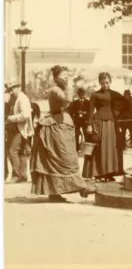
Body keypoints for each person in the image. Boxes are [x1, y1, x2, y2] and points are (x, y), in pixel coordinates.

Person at [30, 65, 96, 202]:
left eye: (67, 75)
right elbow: (69, 100)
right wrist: (71, 84)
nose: (66, 78)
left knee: (65, 158)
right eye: (63, 76)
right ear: (55, 78)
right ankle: (80, 188)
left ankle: (55, 193)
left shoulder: (61, 89)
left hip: (62, 125)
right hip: (56, 127)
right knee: (63, 159)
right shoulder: (55, 90)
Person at [82, 72, 125, 182]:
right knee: (100, 148)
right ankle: (99, 173)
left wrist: (118, 114)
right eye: (102, 83)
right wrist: (90, 125)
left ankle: (110, 173)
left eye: (107, 83)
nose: (105, 85)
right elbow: (91, 111)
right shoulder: (95, 95)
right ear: (99, 83)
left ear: (110, 82)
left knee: (112, 148)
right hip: (99, 123)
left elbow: (126, 104)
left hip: (112, 124)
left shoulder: (115, 94)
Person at [5, 82, 34, 184]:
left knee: (12, 152)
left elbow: (25, 115)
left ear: (18, 88)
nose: (11, 92)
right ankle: (22, 175)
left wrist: (10, 118)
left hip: (19, 128)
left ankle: (17, 175)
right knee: (21, 152)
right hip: (18, 128)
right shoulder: (16, 98)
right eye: (9, 90)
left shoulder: (22, 99)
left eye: (12, 89)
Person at [67, 87, 90, 152]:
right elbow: (71, 111)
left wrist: (85, 113)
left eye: (82, 94)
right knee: (76, 135)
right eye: (80, 94)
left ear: (84, 94)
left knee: (86, 134)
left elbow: (90, 111)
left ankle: (87, 149)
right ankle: (77, 148)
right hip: (77, 121)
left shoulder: (88, 102)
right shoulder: (75, 102)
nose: (81, 95)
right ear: (78, 95)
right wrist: (77, 113)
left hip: (85, 121)